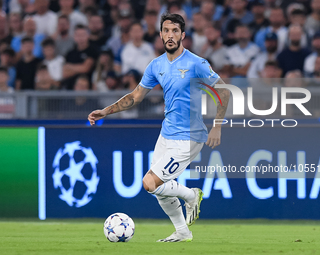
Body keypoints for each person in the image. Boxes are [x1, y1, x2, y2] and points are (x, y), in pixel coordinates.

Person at [88, 13, 229, 242]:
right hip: (166, 134)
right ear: (161, 34)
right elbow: (135, 97)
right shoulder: (156, 65)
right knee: (159, 190)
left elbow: (224, 91)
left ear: (183, 35)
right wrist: (106, 111)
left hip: (190, 137)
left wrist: (217, 126)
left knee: (149, 182)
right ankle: (183, 232)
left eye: (175, 31)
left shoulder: (197, 64)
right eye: (166, 30)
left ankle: (191, 195)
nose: (170, 35)